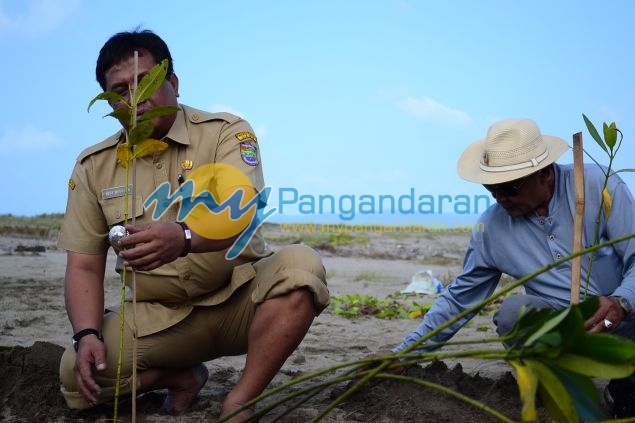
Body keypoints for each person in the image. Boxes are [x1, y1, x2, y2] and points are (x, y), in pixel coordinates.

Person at [57, 29, 329, 422]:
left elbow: (242, 211)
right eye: (119, 91)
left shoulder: (225, 132)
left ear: (174, 83)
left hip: (239, 299)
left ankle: (241, 399)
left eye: (145, 82)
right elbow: (83, 265)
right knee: (76, 376)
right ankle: (181, 377)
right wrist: (86, 335)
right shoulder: (93, 166)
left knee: (301, 267)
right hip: (158, 319)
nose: (134, 100)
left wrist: (184, 237)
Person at [391, 118, 635, 418]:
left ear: (545, 173)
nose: (501, 198)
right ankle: (557, 385)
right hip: (563, 332)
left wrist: (621, 301)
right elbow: (459, 299)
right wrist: (403, 355)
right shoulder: (491, 227)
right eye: (492, 188)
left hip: (626, 318)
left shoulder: (599, 184)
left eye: (510, 187)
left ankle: (622, 390)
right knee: (512, 313)